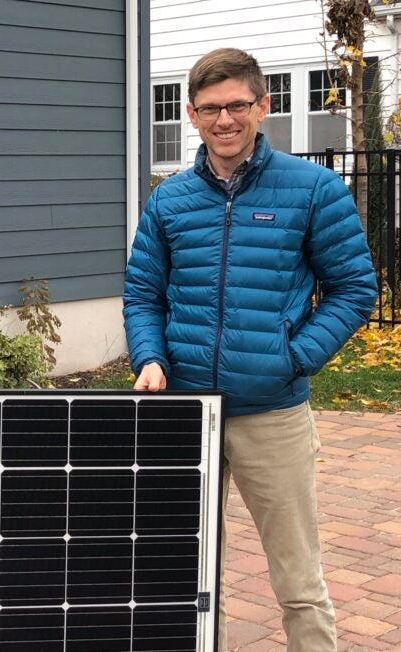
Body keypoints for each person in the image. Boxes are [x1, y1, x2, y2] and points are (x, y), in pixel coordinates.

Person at [123, 48, 378, 651]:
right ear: (190, 114)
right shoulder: (170, 199)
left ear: (263, 106)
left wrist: (291, 357)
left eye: (238, 104)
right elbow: (142, 293)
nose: (225, 119)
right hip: (188, 413)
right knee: (181, 575)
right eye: (210, 108)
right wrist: (150, 357)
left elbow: (353, 288)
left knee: (298, 581)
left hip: (273, 416)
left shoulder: (313, 189)